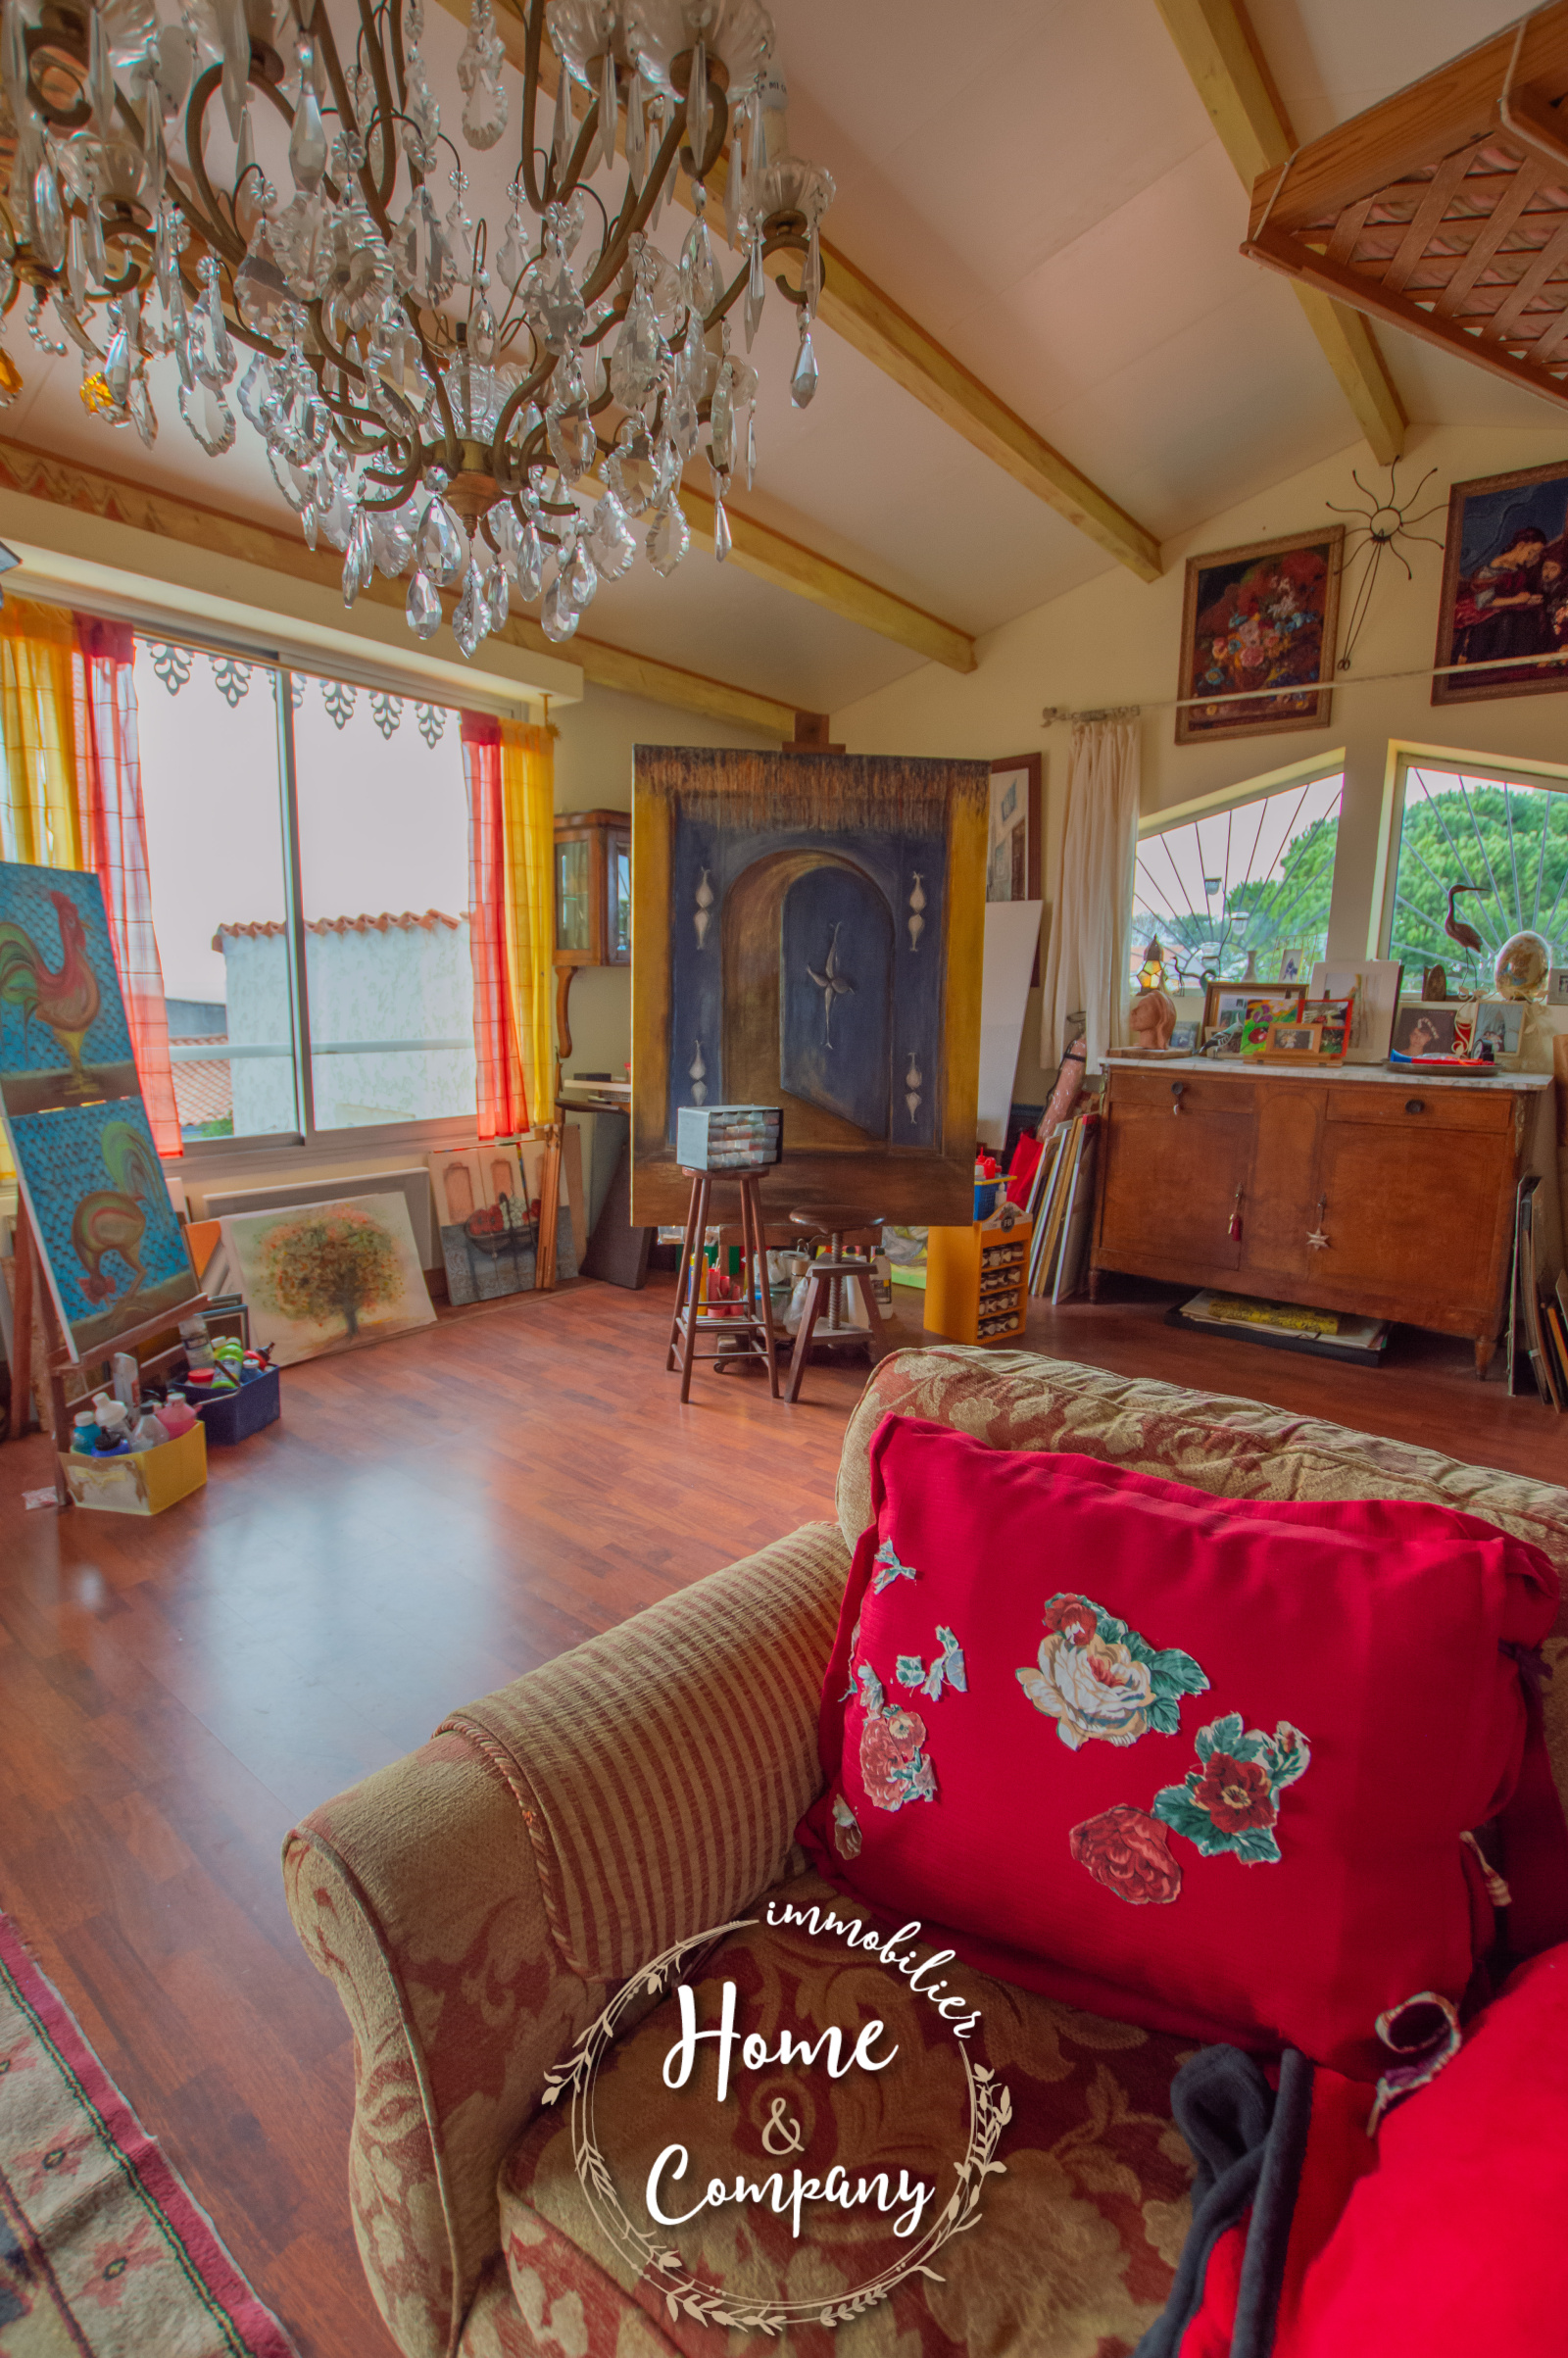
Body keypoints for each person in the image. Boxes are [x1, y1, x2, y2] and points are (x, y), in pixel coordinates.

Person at [1454, 524, 1553, 670]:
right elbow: (1484, 602)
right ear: (1520, 545)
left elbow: (1515, 594)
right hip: (1482, 614)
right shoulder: (1493, 567)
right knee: (1508, 620)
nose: (1533, 557)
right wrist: (1517, 600)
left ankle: (1522, 662)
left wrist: (1528, 600)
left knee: (1530, 617)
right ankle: (1496, 660)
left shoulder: (1517, 569)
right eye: (1531, 552)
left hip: (1506, 609)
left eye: (1536, 554)